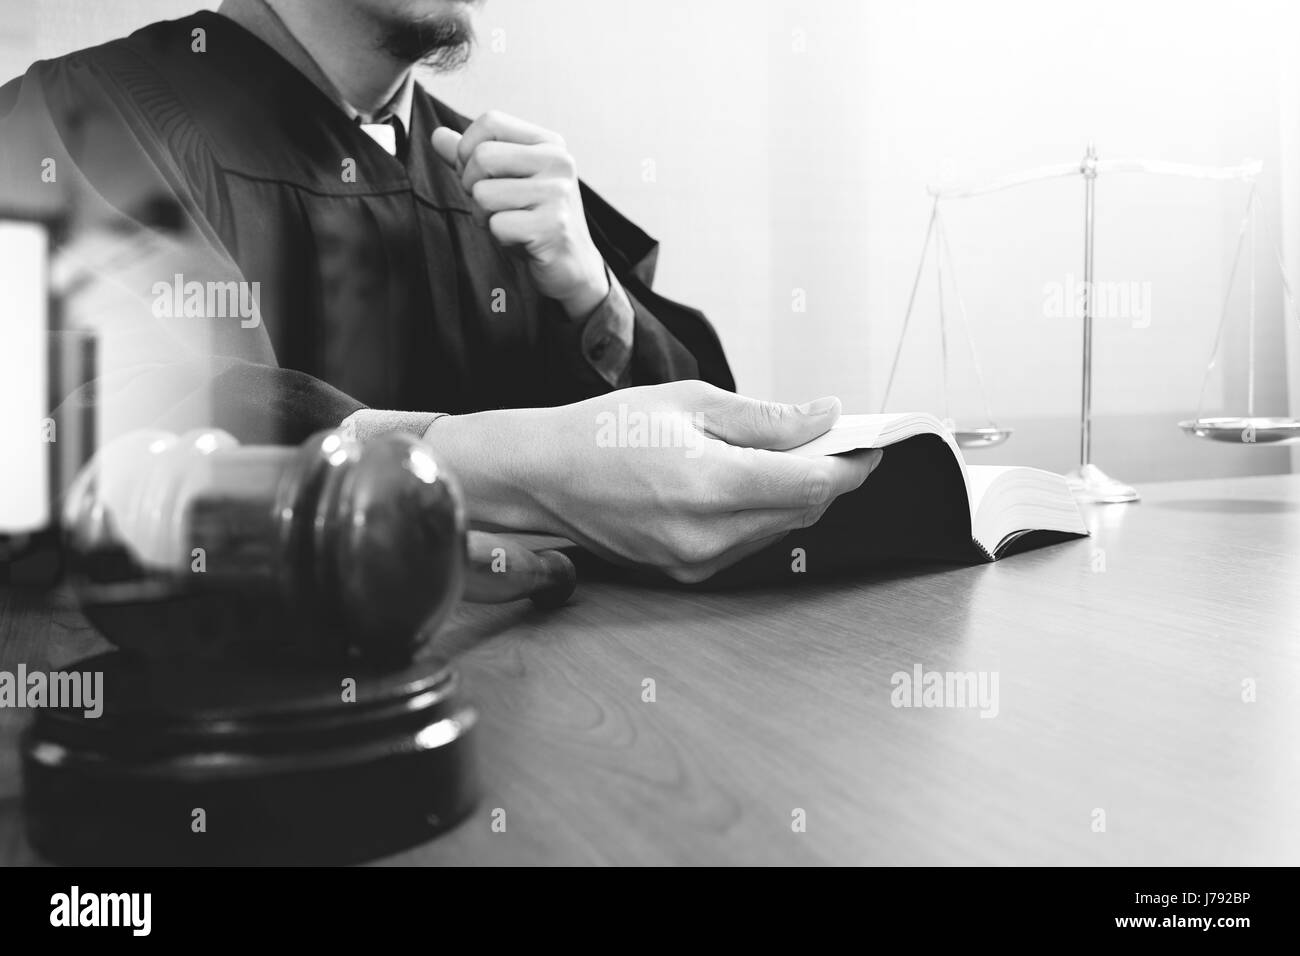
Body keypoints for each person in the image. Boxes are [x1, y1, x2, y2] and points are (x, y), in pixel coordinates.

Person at [0, 0, 882, 583]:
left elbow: (674, 475)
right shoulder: (75, 124)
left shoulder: (500, 181)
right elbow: (86, 439)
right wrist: (453, 464)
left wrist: (593, 296)